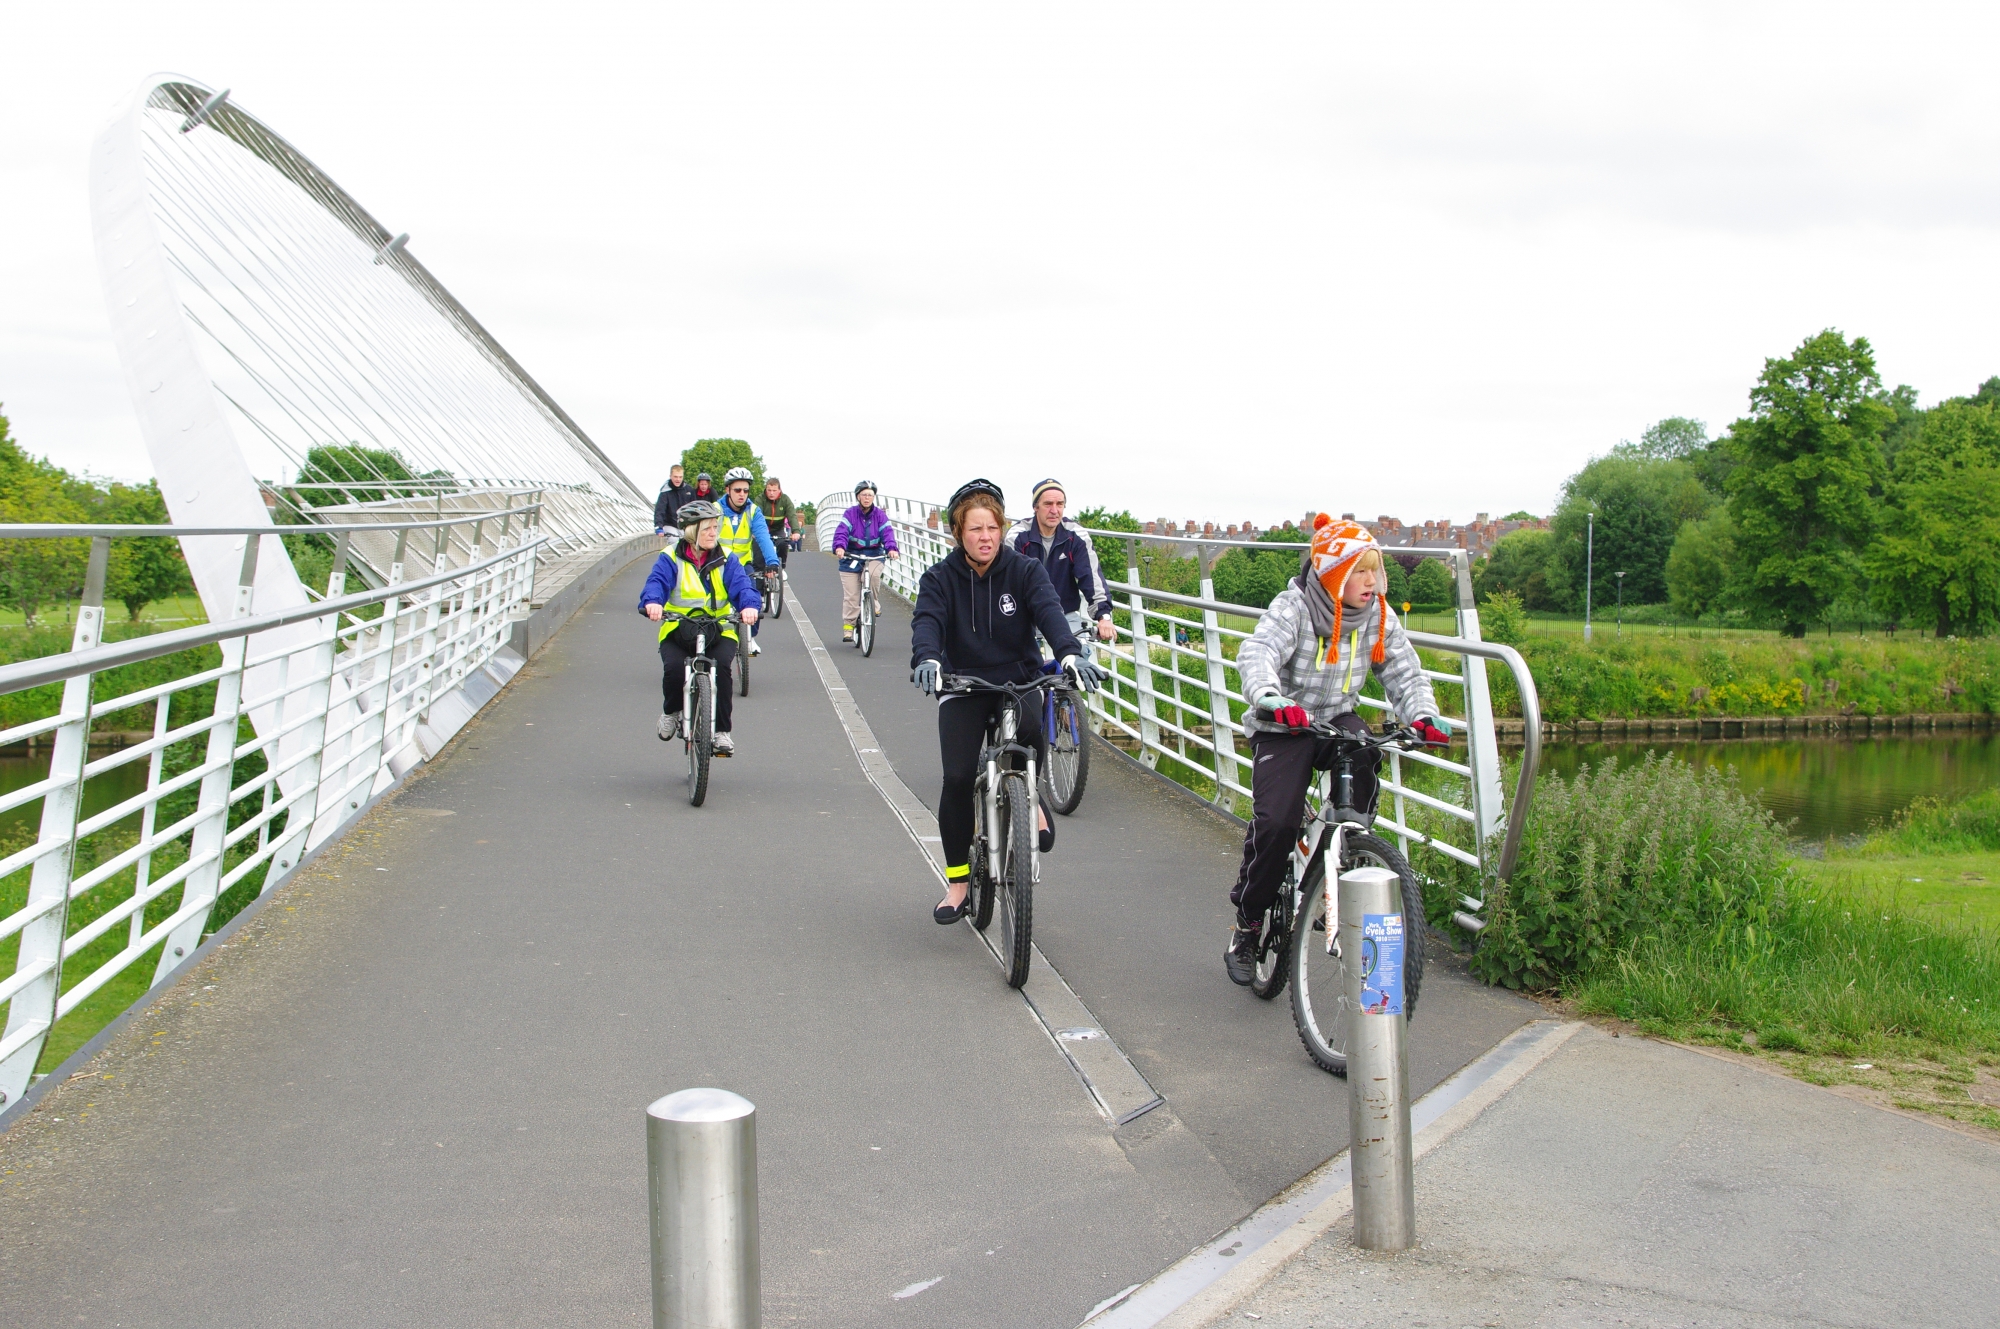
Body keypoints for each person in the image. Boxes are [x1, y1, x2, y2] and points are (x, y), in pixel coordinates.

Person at [1222, 515, 1452, 985]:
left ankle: (1341, 846)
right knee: (1277, 822)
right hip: (1284, 723)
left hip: (1335, 717)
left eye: (1375, 571)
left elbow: (1406, 673)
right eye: (1359, 572)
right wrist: (1269, 696)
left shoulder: (1378, 616)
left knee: (1366, 756)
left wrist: (1422, 715)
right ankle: (1246, 924)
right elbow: (1257, 651)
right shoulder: (1296, 607)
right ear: (1332, 575)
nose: (1371, 582)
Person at [909, 479, 1109, 924]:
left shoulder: (1024, 570)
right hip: (962, 683)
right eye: (975, 529)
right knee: (958, 776)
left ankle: (1029, 798)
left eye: (993, 528)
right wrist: (926, 658)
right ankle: (958, 883)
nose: (985, 537)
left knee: (1034, 731)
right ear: (959, 532)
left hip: (1017, 678)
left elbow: (1050, 612)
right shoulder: (939, 578)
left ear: (1002, 529)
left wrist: (1070, 652)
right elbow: (928, 621)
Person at [638, 499, 761, 757]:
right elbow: (656, 583)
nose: (713, 533)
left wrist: (749, 605)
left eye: (715, 527)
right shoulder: (670, 557)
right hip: (678, 628)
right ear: (691, 530)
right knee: (673, 669)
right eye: (707, 528)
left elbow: (743, 586)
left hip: (719, 629)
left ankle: (721, 733)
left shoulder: (726, 558)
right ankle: (671, 712)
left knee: (723, 670)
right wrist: (652, 602)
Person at [1007, 477, 1117, 645]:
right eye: (1048, 504)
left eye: (1060, 504)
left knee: (1079, 659)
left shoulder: (1076, 536)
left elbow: (1091, 576)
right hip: (1026, 617)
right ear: (1035, 507)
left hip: (1064, 614)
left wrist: (1104, 616)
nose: (1054, 510)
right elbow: (1009, 582)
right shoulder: (1018, 536)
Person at [716, 468, 781, 656]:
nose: (742, 495)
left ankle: (750, 638)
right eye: (737, 490)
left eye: (745, 490)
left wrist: (772, 561)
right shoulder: (716, 509)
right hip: (717, 564)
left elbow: (763, 537)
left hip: (743, 565)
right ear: (728, 490)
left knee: (753, 597)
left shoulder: (753, 511)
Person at [831, 481, 901, 644]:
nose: (867, 498)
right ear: (858, 497)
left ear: (874, 497)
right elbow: (842, 531)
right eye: (864, 494)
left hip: (874, 555)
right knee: (852, 595)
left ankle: (874, 603)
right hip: (851, 556)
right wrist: (840, 547)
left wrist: (891, 548)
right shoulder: (850, 514)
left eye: (870, 495)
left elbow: (888, 533)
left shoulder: (880, 515)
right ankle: (849, 627)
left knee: (873, 575)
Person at [756, 476, 799, 563]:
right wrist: (755, 531)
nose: (771, 493)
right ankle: (758, 570)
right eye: (769, 490)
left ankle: (782, 566)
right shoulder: (760, 499)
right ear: (766, 490)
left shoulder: (785, 499)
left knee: (783, 544)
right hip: (763, 528)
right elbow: (756, 515)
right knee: (757, 546)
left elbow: (792, 516)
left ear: (779, 490)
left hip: (778, 529)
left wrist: (796, 531)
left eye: (774, 490)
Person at [653, 463, 693, 535]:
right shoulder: (665, 492)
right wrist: (658, 527)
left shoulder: (689, 490)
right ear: (670, 476)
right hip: (670, 525)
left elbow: (694, 507)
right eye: (675, 477)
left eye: (680, 477)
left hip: (685, 526)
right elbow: (660, 510)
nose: (678, 480)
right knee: (674, 540)